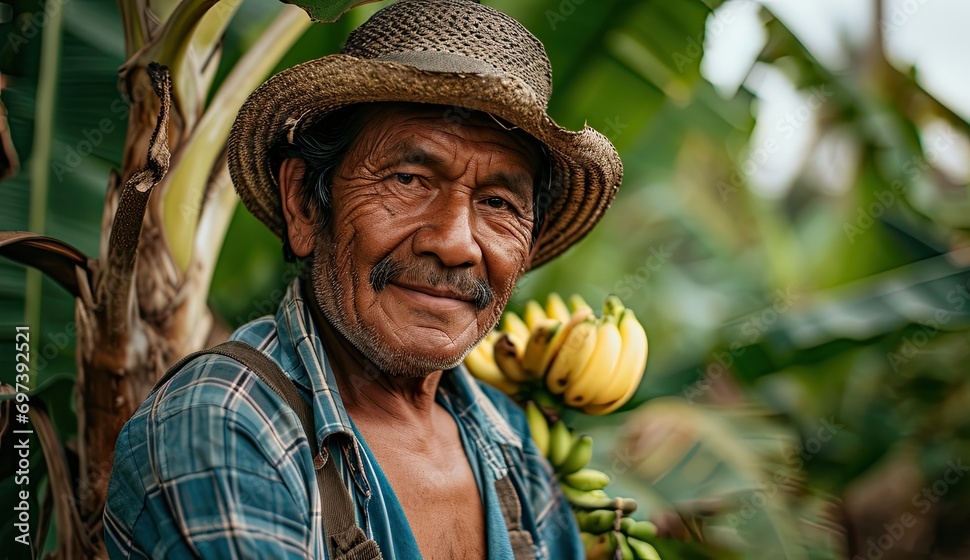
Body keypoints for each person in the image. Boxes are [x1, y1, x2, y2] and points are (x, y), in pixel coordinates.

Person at [103, 0, 622, 558]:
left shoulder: (511, 445)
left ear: (526, 248)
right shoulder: (226, 420)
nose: (453, 243)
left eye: (497, 202)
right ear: (304, 202)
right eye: (408, 178)